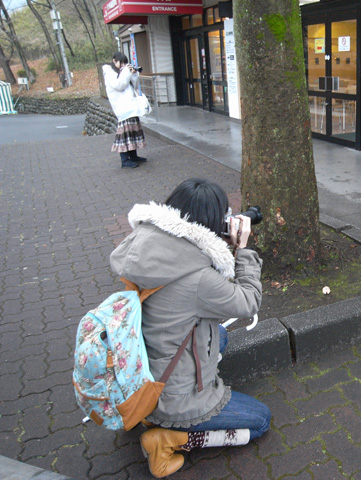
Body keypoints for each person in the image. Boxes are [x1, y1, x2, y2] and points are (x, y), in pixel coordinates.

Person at [110, 178, 270, 478]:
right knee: (260, 420)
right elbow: (249, 301)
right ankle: (168, 437)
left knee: (219, 334)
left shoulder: (148, 242)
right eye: (224, 215)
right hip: (175, 398)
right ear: (210, 222)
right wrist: (244, 249)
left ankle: (148, 413)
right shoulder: (197, 278)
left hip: (140, 371)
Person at [103, 52, 147, 168]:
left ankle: (133, 156)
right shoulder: (110, 73)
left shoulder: (122, 72)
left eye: (124, 63)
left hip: (131, 107)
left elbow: (134, 85)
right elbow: (120, 85)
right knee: (124, 134)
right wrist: (126, 71)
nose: (122, 65)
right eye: (120, 62)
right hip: (122, 109)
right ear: (114, 61)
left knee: (133, 132)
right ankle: (124, 160)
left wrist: (134, 74)